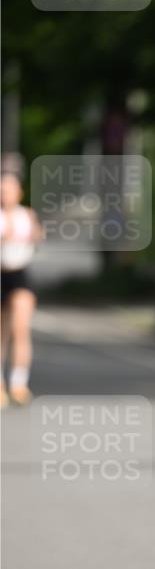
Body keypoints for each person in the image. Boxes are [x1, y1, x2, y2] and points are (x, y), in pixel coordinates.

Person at [1, 170, 43, 407]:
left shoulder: (27, 215)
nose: (5, 192)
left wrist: (37, 234)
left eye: (9, 188)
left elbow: (37, 239)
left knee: (20, 328)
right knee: (1, 333)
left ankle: (19, 383)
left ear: (19, 192)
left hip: (19, 274)